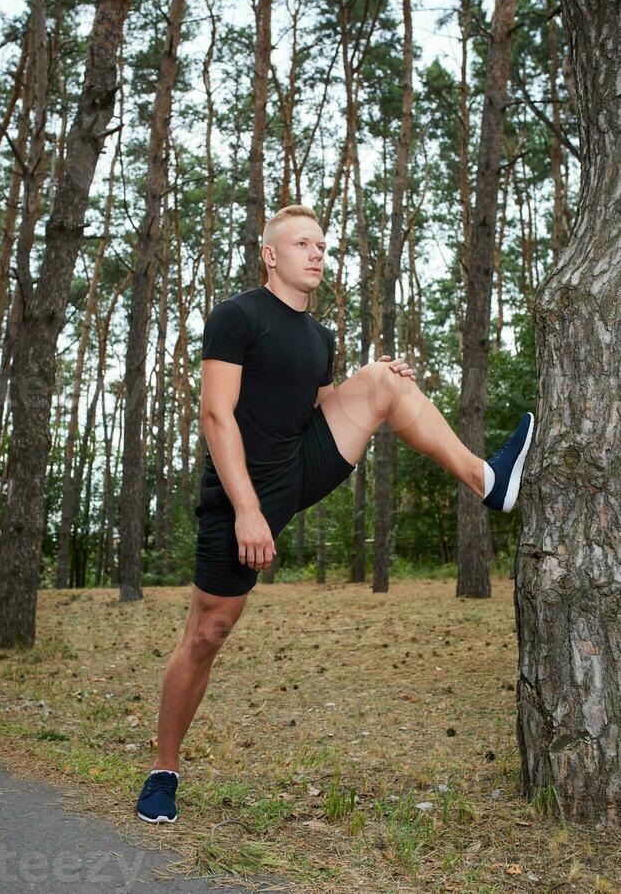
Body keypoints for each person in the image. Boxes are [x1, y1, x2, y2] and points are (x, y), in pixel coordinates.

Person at [135, 204, 534, 824]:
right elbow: (217, 415)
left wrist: (374, 384)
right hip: (243, 488)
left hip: (302, 465)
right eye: (302, 244)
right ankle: (163, 770)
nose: (317, 253)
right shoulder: (236, 317)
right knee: (207, 633)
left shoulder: (319, 336)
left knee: (382, 381)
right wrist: (246, 509)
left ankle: (489, 481)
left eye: (322, 245)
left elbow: (314, 402)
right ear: (271, 256)